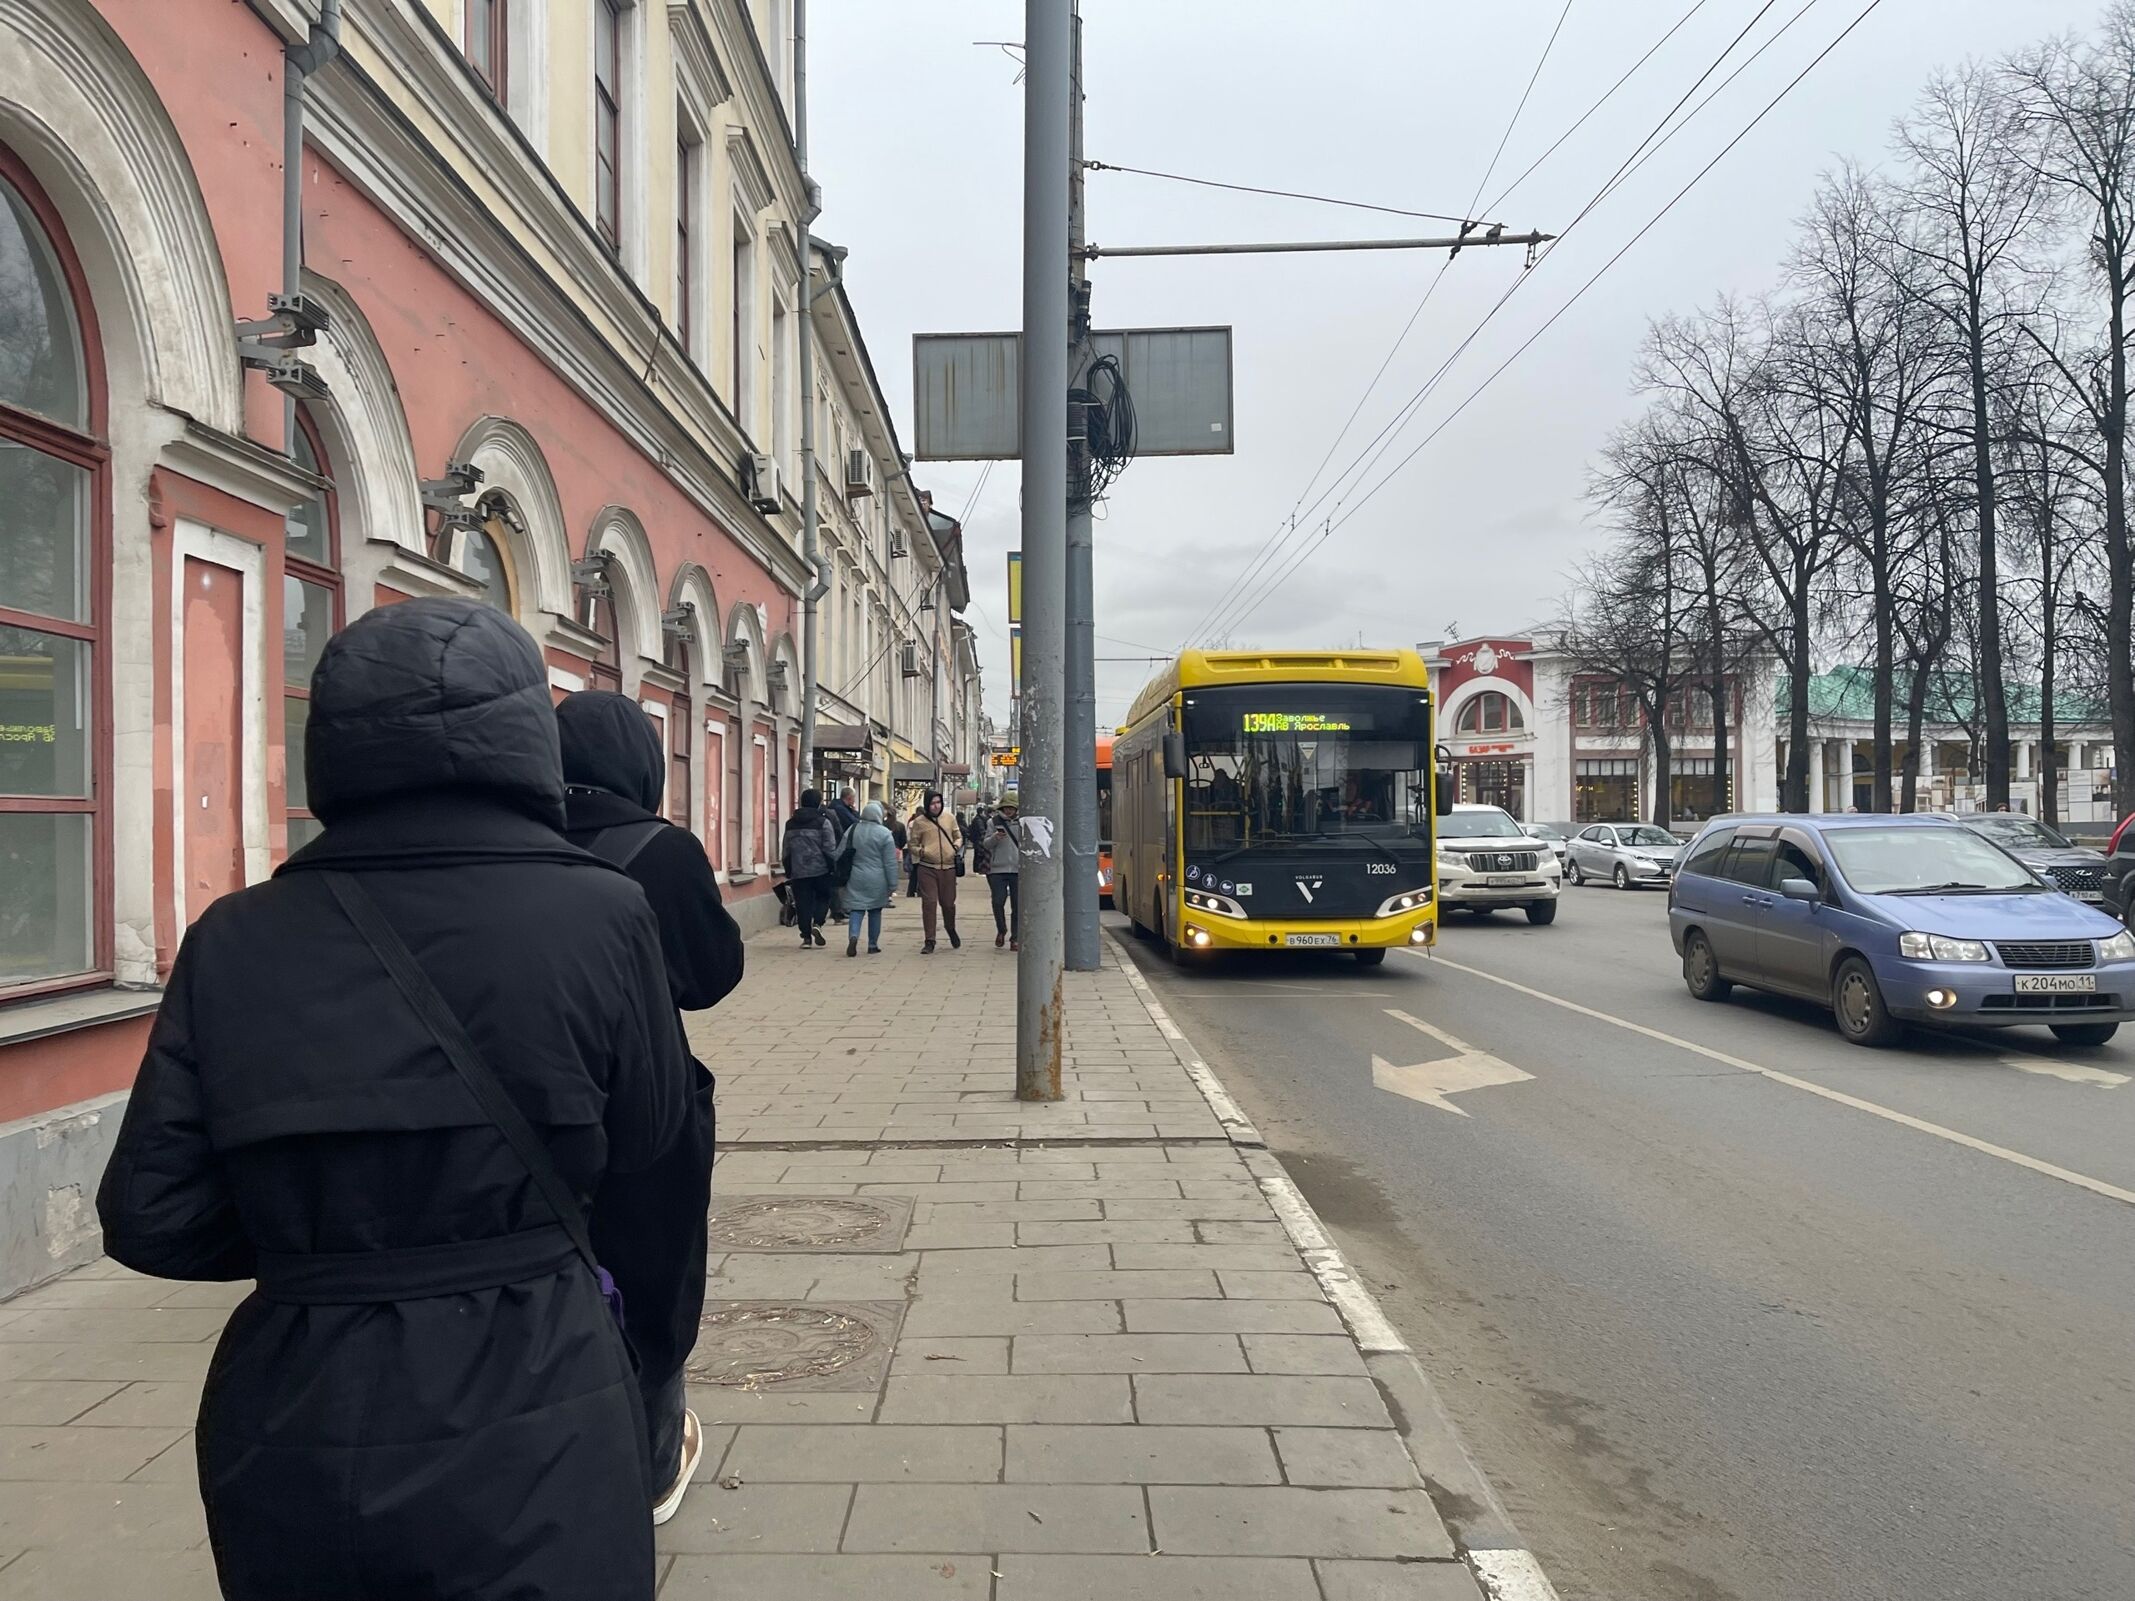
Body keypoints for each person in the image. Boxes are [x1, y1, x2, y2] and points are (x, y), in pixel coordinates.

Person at [95, 598, 689, 1600]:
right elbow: (648, 1138)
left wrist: (320, 1239)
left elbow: (151, 1214)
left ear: (331, 744)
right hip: (539, 1381)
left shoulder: (235, 935)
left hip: (298, 1404)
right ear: (519, 739)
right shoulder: (602, 913)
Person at [555, 689, 740, 1524]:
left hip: (523, 1100)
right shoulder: (663, 851)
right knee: (652, 1277)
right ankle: (656, 1461)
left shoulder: (517, 838)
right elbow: (710, 977)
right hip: (640, 1098)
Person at [837, 800, 902, 956]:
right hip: (877, 879)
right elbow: (890, 862)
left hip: (855, 876)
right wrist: (893, 884)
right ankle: (872, 944)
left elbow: (839, 852)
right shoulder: (885, 833)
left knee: (856, 909)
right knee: (875, 911)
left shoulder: (852, 830)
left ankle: (853, 936)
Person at [907, 788, 963, 952]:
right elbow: (912, 844)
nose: (936, 806)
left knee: (948, 904)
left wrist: (955, 847)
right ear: (927, 804)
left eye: (938, 802)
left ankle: (950, 928)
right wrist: (922, 852)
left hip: (948, 867)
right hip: (927, 868)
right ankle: (929, 940)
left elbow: (958, 836)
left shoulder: (949, 818)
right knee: (929, 903)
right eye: (932, 803)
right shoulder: (920, 822)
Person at [782, 788, 840, 946]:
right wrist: (831, 866)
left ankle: (806, 937)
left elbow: (786, 848)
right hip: (821, 869)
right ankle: (818, 924)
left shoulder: (790, 824)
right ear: (819, 803)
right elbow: (829, 847)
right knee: (823, 897)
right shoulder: (823, 822)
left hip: (798, 870)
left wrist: (788, 868)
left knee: (802, 903)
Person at [985, 797, 1024, 950]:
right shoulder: (993, 822)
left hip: (1018, 869)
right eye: (1006, 807)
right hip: (997, 869)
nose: (1008, 810)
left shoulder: (1022, 822)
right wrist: (996, 837)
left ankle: (1015, 938)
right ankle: (1001, 930)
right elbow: (986, 844)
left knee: (1017, 905)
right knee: (997, 902)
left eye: (1012, 808)